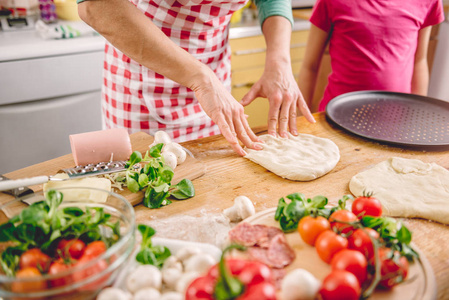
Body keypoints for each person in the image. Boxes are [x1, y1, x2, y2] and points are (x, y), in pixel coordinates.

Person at [77, 0, 316, 157]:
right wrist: (201, 78)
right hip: (143, 75)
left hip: (214, 71)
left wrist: (280, 61)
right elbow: (94, 5)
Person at [297, 0, 445, 113]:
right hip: (337, 115)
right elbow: (310, 66)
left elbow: (419, 61)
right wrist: (300, 118)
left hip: (397, 118)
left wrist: (417, 114)